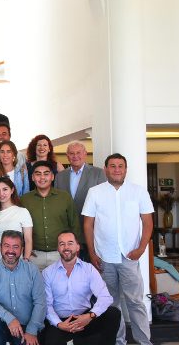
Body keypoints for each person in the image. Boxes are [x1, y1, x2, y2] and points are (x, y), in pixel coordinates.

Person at [82, 153, 154, 345]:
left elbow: (147, 222)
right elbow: (88, 224)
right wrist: (92, 253)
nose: (116, 170)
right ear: (106, 169)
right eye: (112, 166)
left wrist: (141, 248)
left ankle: (144, 342)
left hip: (129, 257)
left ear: (125, 169)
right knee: (110, 303)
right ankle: (117, 341)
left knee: (135, 302)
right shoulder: (95, 192)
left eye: (120, 166)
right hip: (104, 257)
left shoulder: (138, 191)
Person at [42, 231, 120, 345]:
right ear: (58, 248)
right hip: (61, 322)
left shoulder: (89, 269)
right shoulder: (48, 273)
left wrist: (90, 315)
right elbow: (46, 305)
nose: (66, 247)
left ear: (77, 247)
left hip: (85, 319)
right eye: (62, 244)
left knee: (113, 313)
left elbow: (105, 297)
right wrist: (59, 324)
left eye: (70, 243)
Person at [0, 231, 46, 345]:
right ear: (0, 248)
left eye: (15, 247)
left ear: (22, 249)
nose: (10, 251)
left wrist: (31, 331)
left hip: (26, 327)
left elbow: (40, 302)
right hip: (3, 323)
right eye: (7, 246)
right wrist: (10, 319)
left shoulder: (32, 270)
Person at [21, 160, 80, 271]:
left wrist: (75, 250)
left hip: (61, 254)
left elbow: (74, 225)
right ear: (32, 177)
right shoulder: (24, 200)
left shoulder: (64, 197)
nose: (42, 177)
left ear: (52, 177)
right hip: (34, 255)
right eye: (38, 174)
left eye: (46, 174)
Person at [54, 141, 106, 259]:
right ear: (67, 156)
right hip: (66, 232)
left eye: (78, 153)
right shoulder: (60, 176)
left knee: (89, 267)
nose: (75, 156)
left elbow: (103, 203)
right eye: (71, 153)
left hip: (90, 232)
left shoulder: (98, 173)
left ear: (85, 154)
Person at [0, 176, 33, 259]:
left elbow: (28, 240)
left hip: (14, 257)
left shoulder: (22, 212)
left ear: (12, 190)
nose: (1, 193)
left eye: (5, 189)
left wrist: (26, 260)